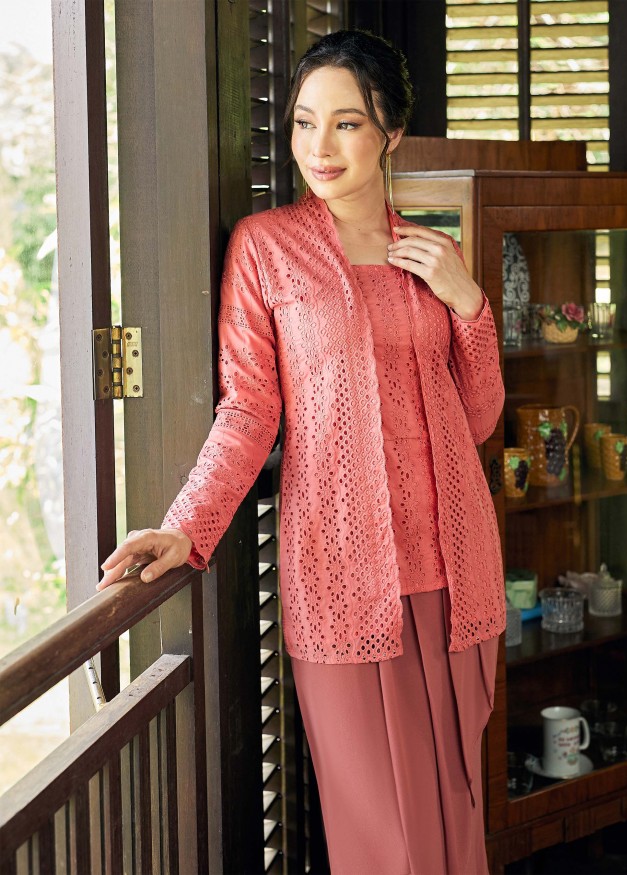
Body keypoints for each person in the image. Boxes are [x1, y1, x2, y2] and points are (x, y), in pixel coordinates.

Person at [99, 29, 506, 874]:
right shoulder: (266, 247)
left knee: (456, 820)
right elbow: (249, 410)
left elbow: (476, 419)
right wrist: (187, 526)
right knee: (381, 842)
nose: (319, 146)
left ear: (392, 132)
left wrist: (468, 302)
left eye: (347, 123)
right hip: (342, 577)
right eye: (304, 122)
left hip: (453, 573)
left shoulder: (434, 255)